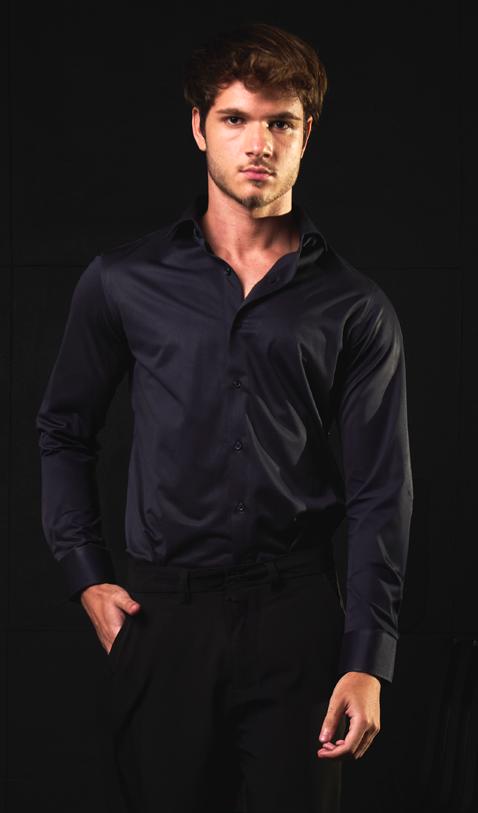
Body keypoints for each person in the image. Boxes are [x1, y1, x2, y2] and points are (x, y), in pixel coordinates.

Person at [35, 20, 414, 813]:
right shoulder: (122, 281)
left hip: (298, 618)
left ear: (307, 134)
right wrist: (86, 576)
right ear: (200, 127)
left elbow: (381, 491)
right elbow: (64, 430)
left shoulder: (355, 306)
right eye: (237, 118)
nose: (259, 144)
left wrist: (366, 657)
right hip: (164, 616)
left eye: (281, 123)